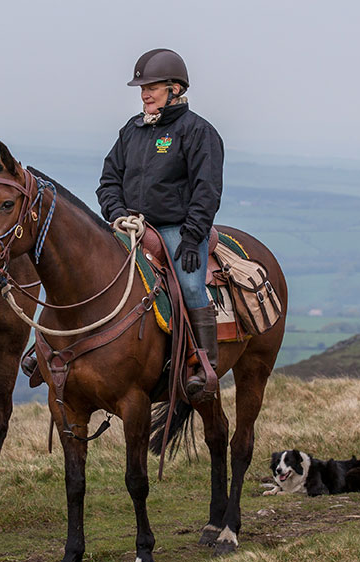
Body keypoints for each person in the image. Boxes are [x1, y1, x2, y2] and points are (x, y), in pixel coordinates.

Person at [97, 48, 224, 400]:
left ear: (176, 89)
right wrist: (116, 212)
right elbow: (108, 180)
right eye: (142, 88)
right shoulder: (131, 130)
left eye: (151, 86)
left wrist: (192, 237)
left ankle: (204, 366)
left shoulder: (198, 132)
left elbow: (207, 190)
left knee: (191, 286)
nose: (144, 94)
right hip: (130, 225)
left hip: (177, 229)